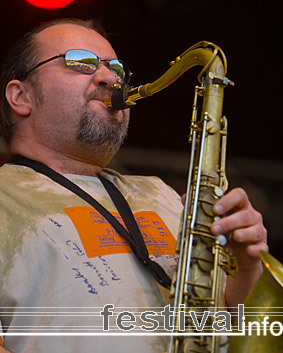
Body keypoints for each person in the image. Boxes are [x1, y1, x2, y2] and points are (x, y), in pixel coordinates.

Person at [0, 18, 268, 353]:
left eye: (116, 68)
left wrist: (245, 267)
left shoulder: (160, 193)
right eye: (80, 62)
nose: (109, 77)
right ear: (20, 96)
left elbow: (246, 331)